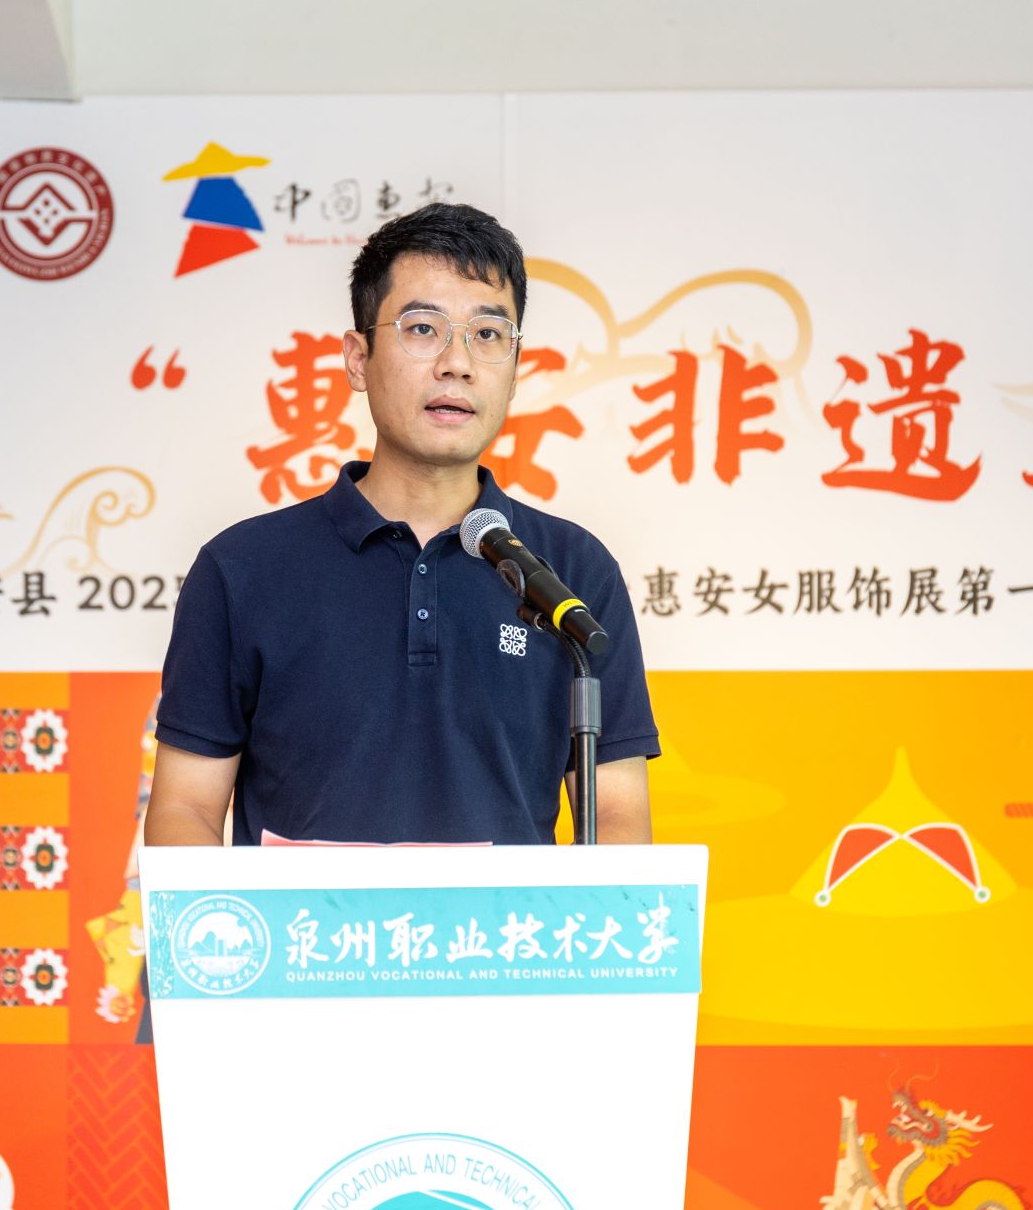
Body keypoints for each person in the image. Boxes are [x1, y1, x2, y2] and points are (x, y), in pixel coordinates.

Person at [144, 202, 658, 849]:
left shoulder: (570, 573)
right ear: (358, 358)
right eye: (422, 328)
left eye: (488, 334)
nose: (457, 362)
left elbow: (616, 814)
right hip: (309, 921)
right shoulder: (242, 569)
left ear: (515, 370)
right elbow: (185, 807)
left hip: (510, 923)